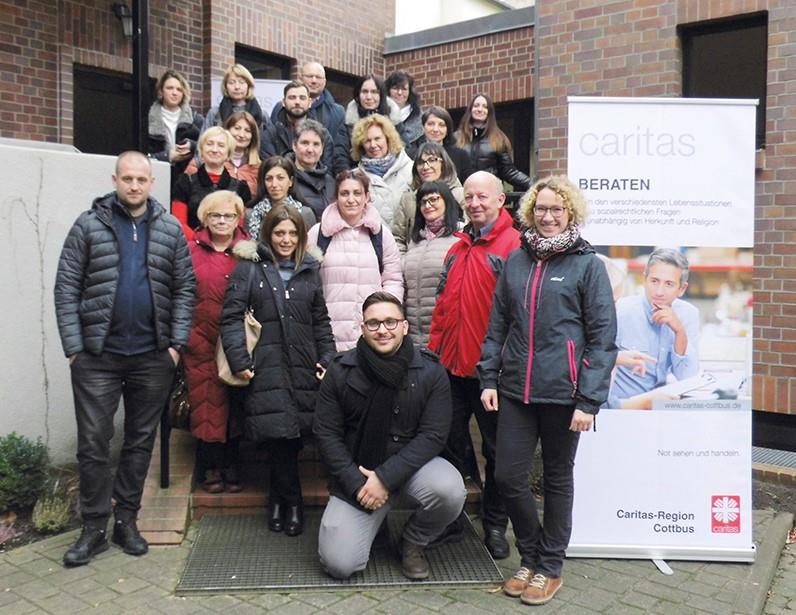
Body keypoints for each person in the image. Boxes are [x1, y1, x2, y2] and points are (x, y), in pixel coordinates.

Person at [479, 175, 617, 605]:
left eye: (557, 209)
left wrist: (589, 399)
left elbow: (602, 337)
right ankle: (532, 555)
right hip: (516, 389)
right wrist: (488, 377)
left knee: (557, 479)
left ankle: (549, 567)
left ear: (570, 212)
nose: (549, 215)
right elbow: (497, 324)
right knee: (506, 475)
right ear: (530, 213)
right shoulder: (517, 261)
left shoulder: (587, 265)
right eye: (541, 208)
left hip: (565, 395)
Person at [54, 151, 195, 567]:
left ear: (152, 183)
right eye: (127, 178)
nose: (134, 186)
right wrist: (75, 347)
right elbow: (66, 287)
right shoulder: (88, 225)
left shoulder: (169, 229)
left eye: (142, 179)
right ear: (115, 179)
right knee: (94, 444)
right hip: (97, 357)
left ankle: (127, 521)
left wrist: (175, 346)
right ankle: (94, 528)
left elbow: (184, 290)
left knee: (139, 442)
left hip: (152, 356)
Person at [314, 291, 466, 580]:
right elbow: (327, 434)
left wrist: (384, 478)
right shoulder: (340, 370)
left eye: (390, 322)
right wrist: (359, 485)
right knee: (339, 564)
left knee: (449, 490)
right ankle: (373, 522)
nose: (382, 330)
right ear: (362, 328)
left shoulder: (430, 371)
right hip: (358, 474)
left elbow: (433, 435)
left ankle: (413, 541)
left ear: (405, 326)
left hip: (411, 468)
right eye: (373, 323)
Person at [221, 205, 336, 537]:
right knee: (277, 437)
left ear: (301, 236)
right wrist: (240, 360)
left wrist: (327, 356)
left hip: (303, 366)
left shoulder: (309, 270)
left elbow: (321, 321)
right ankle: (294, 503)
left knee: (293, 437)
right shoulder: (249, 269)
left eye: (292, 233)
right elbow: (231, 318)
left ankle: (277, 500)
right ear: (268, 235)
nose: (285, 239)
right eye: (279, 233)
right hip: (265, 367)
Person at [427, 171, 519, 560]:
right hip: (451, 368)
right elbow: (441, 308)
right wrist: (433, 357)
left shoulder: (514, 247)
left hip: (492, 375)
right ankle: (453, 519)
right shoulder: (457, 248)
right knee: (448, 444)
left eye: (483, 196)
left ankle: (496, 525)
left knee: (498, 452)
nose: (475, 203)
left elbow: (520, 315)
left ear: (500, 200)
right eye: (469, 197)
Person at [184, 191, 249, 494]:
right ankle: (211, 467)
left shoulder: (249, 251)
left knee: (236, 404)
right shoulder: (190, 250)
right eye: (215, 215)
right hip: (200, 339)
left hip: (237, 340)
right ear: (205, 218)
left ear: (238, 219)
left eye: (228, 216)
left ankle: (233, 464)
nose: (222, 221)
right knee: (206, 404)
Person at [308, 170, 403, 351]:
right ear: (336, 197)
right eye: (344, 193)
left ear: (367, 196)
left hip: (372, 333)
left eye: (357, 193)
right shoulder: (317, 234)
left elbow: (393, 279)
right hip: (328, 335)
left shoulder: (381, 235)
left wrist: (385, 316)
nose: (351, 199)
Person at [608, 248, 700, 408]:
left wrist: (679, 331)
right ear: (644, 279)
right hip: (623, 409)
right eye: (654, 281)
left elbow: (688, 377)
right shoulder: (620, 311)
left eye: (669, 284)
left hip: (660, 408)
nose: (659, 292)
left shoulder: (688, 314)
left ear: (682, 289)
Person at [402, 182, 461, 347]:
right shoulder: (414, 241)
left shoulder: (459, 238)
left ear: (447, 202)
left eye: (434, 199)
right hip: (413, 335)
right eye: (423, 201)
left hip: (444, 334)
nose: (428, 205)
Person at [172, 126, 252, 240]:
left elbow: (240, 227)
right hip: (192, 247)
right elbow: (179, 223)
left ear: (228, 153)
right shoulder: (185, 183)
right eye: (209, 144)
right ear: (201, 149)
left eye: (221, 145)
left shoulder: (241, 188)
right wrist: (200, 243)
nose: (214, 150)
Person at [391, 142, 464, 253]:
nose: (425, 167)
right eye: (421, 162)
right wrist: (404, 262)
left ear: (443, 163)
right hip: (415, 265)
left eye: (432, 160)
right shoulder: (408, 199)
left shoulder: (459, 195)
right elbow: (398, 239)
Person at [455, 93, 532, 192]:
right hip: (462, 196)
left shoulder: (498, 139)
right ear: (470, 109)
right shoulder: (456, 138)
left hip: (488, 195)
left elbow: (508, 172)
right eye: (476, 105)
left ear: (489, 112)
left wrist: (533, 184)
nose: (480, 109)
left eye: (485, 107)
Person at [351, 114, 413, 228]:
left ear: (388, 139)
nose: (373, 145)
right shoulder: (355, 177)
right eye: (367, 141)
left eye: (377, 138)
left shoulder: (412, 169)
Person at [333, 74, 402, 176]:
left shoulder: (395, 121)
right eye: (364, 92)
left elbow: (404, 151)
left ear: (381, 95)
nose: (369, 97)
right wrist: (349, 177)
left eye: (374, 92)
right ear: (358, 95)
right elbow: (340, 156)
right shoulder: (348, 124)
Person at [146, 69, 204, 187]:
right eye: (170, 88)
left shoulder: (195, 119)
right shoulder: (147, 119)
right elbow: (141, 154)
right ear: (161, 91)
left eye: (179, 89)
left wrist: (192, 146)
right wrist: (167, 156)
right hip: (156, 177)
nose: (174, 92)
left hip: (187, 180)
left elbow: (208, 145)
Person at [262, 80, 335, 171]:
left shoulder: (323, 134)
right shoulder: (270, 134)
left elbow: (328, 169)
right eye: (292, 97)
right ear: (283, 102)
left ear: (310, 102)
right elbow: (269, 169)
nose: (297, 102)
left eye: (302, 98)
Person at [185, 111, 261, 196]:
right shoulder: (201, 162)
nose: (241, 134)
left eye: (248, 130)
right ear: (227, 130)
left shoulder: (259, 168)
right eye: (237, 128)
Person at [269, 61, 345, 143]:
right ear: (301, 78)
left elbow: (339, 146)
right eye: (310, 76)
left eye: (318, 77)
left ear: (324, 82)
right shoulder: (280, 107)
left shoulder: (338, 112)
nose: (314, 81)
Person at [247, 155, 316, 237]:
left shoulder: (305, 214)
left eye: (280, 178)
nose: (274, 184)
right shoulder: (251, 215)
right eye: (269, 179)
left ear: (290, 181)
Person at [290, 119, 336, 220]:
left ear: (322, 149)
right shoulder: (285, 180)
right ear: (294, 145)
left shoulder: (331, 182)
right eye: (305, 143)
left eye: (316, 144)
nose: (310, 150)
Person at [204, 64, 266, 134]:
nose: (237, 87)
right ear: (225, 86)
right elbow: (203, 141)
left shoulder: (261, 115)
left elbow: (268, 142)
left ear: (249, 86)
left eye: (241, 82)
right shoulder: (215, 113)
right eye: (231, 82)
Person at [420, 106, 474, 185]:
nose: (436, 129)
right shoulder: (413, 155)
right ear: (423, 127)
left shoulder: (461, 156)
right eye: (431, 124)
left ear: (447, 130)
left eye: (441, 125)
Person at [386, 70, 423, 159]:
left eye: (404, 89)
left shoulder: (420, 117)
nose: (399, 92)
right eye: (395, 88)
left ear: (410, 91)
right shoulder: (380, 114)